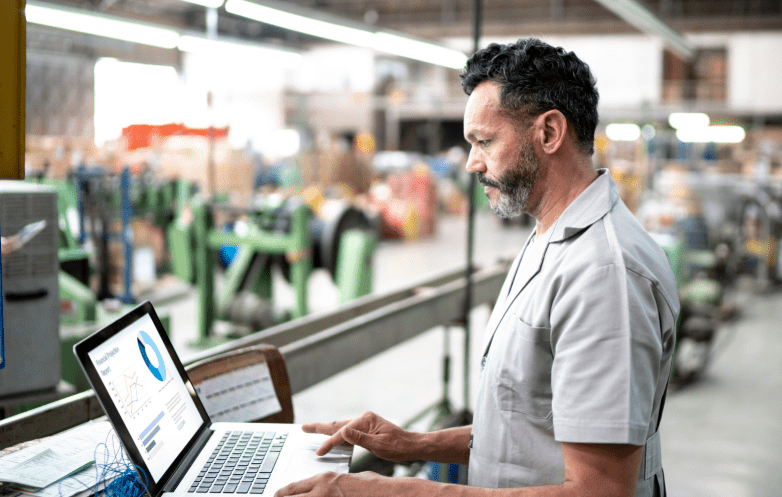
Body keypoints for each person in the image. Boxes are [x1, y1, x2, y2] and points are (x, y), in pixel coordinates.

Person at [275, 38, 679, 497]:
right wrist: (413, 444)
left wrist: (388, 492)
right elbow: (526, 432)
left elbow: (599, 492)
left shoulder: (604, 274)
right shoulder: (550, 234)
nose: (471, 163)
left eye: (484, 141)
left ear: (548, 134)